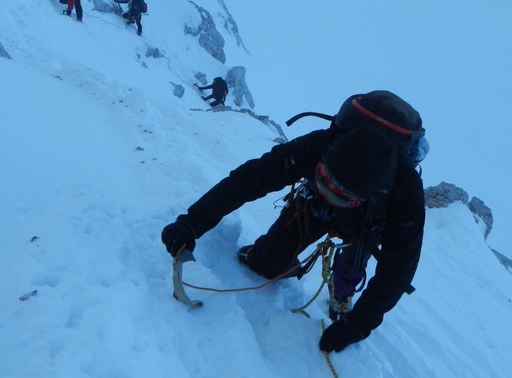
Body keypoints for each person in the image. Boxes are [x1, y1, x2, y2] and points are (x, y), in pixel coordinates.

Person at [161, 92, 428, 354]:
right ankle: (286, 262)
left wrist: (358, 324)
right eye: (326, 181)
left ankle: (341, 291)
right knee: (263, 262)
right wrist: (192, 223)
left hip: (365, 226)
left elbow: (399, 267)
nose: (333, 193)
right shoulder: (317, 145)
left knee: (351, 266)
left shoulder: (405, 194)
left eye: (342, 195)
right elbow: (250, 179)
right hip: (313, 206)